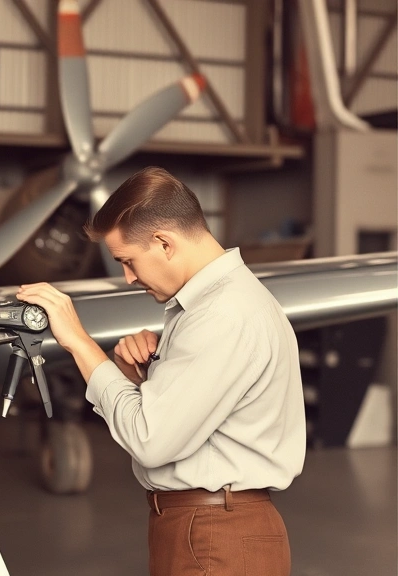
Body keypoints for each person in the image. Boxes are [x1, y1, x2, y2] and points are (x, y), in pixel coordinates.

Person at [16, 166, 303, 576]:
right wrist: (142, 379)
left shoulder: (220, 315)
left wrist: (78, 341)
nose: (128, 277)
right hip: (206, 529)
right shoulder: (219, 305)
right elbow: (195, 421)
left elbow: (150, 440)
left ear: (164, 242)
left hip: (214, 536)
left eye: (128, 261)